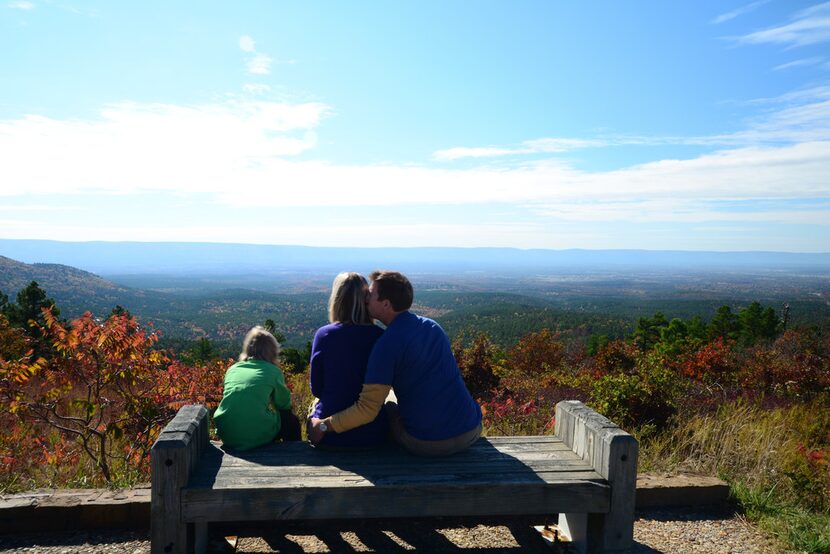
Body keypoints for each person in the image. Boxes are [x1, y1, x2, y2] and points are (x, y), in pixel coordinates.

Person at [309, 270, 482, 456]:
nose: (365, 299)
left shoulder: (386, 344)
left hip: (427, 443)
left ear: (385, 303)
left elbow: (367, 409)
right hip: (472, 431)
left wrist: (323, 426)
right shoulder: (432, 327)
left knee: (389, 405)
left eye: (371, 295)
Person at [308, 272, 387, 447]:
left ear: (336, 301)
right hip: (373, 434)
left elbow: (317, 389)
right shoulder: (380, 337)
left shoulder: (324, 335)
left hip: (328, 433)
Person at [213, 326, 301, 450]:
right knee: (291, 421)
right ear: (273, 352)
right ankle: (294, 454)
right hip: (256, 435)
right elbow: (284, 405)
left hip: (227, 434)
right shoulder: (273, 372)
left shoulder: (232, 369)